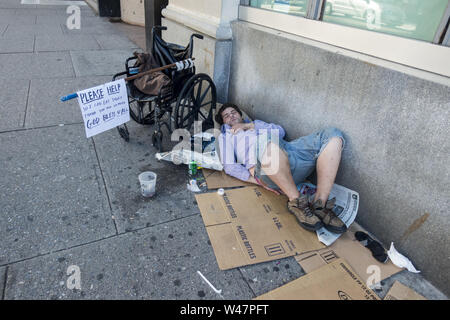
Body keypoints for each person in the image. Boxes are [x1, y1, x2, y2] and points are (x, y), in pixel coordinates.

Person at [215, 103, 347, 234]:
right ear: (224, 122)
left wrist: (249, 125)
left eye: (233, 112)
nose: (231, 116)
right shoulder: (226, 136)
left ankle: (320, 204)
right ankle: (297, 202)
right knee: (265, 139)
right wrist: (258, 182)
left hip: (287, 152)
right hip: (267, 168)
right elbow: (229, 166)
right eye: (226, 116)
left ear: (240, 114)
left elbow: (281, 132)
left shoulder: (254, 124)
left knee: (332, 134)